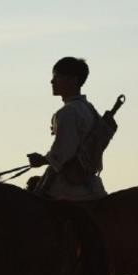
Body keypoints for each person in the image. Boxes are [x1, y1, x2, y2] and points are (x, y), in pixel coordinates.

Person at [27, 56, 117, 202]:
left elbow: (63, 152)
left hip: (67, 188)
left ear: (73, 80)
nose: (52, 81)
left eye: (57, 77)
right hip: (91, 183)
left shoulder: (68, 112)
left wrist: (42, 160)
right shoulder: (89, 109)